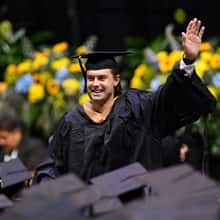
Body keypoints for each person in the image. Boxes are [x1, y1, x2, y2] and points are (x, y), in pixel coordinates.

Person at [35, 18, 216, 182]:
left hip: (134, 208)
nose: (95, 84)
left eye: (102, 78)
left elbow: (168, 96)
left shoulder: (137, 107)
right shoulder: (72, 121)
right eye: (91, 78)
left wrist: (187, 61)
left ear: (116, 80)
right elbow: (51, 165)